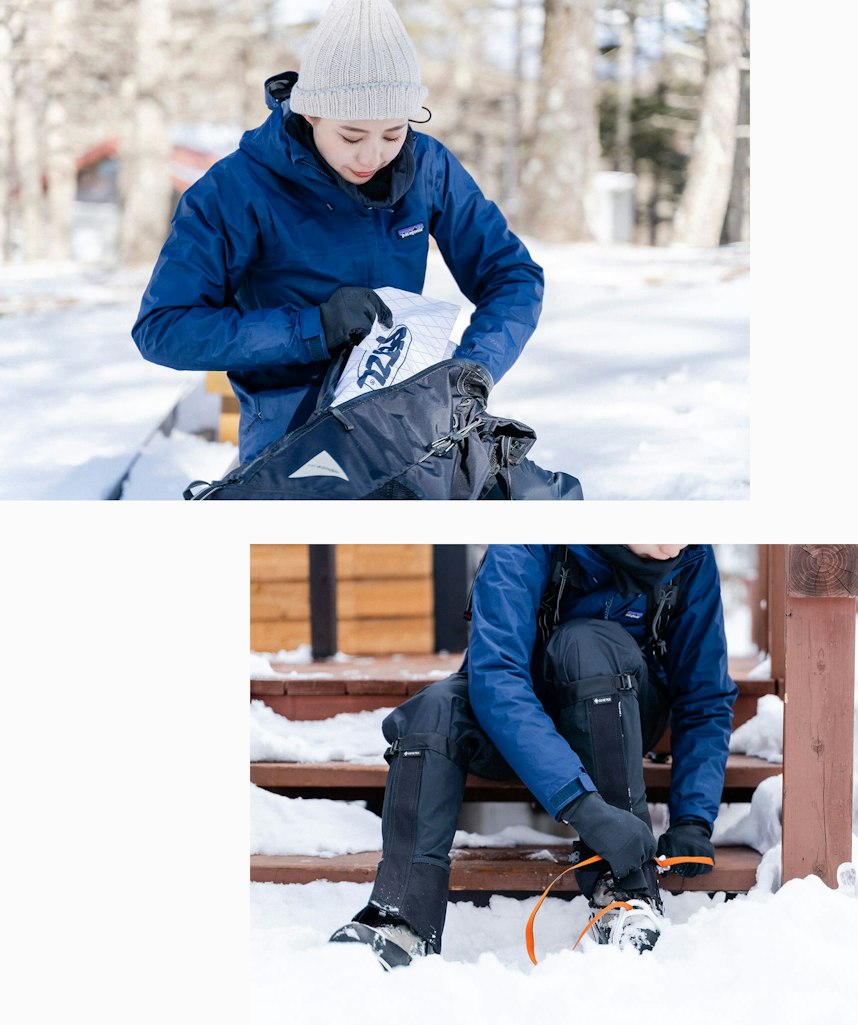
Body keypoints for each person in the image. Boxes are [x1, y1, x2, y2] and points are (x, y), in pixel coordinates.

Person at [132, 0, 543, 464]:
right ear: (311, 115)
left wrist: (474, 368)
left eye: (392, 134)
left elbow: (512, 275)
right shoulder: (235, 190)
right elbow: (163, 329)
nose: (372, 157)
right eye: (351, 137)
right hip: (292, 429)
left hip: (410, 414)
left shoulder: (428, 165)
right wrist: (313, 327)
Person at [331, 544, 737, 968]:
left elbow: (705, 697)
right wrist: (583, 806)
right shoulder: (528, 534)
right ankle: (401, 920)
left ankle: (628, 895)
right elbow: (496, 678)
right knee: (434, 711)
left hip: (619, 704)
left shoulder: (692, 557)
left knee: (585, 643)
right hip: (516, 715)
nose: (674, 543)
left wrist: (693, 818)